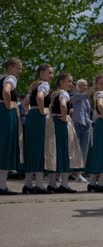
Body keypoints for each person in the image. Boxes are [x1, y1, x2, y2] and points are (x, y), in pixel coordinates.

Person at [47, 73, 83, 193]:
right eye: (69, 81)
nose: (71, 84)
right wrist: (64, 116)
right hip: (62, 125)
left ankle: (52, 183)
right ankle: (64, 184)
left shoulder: (54, 93)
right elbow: (63, 104)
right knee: (67, 152)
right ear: (61, 82)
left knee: (56, 152)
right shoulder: (63, 93)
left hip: (54, 124)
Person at [23, 64, 54, 194]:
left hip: (31, 117)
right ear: (41, 72)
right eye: (50, 73)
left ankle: (28, 184)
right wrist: (42, 111)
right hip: (40, 118)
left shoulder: (34, 85)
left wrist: (33, 111)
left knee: (32, 149)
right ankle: (39, 185)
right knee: (41, 148)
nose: (51, 76)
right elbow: (40, 97)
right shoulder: (44, 85)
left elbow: (25, 103)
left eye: (52, 73)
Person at [0, 58, 23, 195]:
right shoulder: (11, 78)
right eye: (18, 68)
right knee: (6, 146)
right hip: (6, 113)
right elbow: (6, 91)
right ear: (10, 67)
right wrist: (9, 106)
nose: (20, 71)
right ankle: (2, 185)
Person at [70, 79, 92, 183]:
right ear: (78, 86)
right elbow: (85, 95)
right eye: (83, 85)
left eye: (86, 85)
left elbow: (86, 113)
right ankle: (70, 172)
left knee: (84, 150)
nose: (85, 87)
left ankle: (79, 173)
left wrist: (90, 122)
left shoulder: (86, 99)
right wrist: (95, 86)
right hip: (76, 125)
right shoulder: (74, 96)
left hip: (86, 126)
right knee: (73, 149)